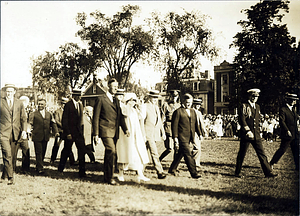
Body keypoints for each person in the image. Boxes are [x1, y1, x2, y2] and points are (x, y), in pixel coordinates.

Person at [93, 78, 129, 185]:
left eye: (117, 86)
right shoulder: (101, 99)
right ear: (108, 86)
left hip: (115, 132)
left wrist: (125, 128)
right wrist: (96, 134)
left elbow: (120, 117)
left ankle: (106, 176)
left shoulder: (116, 101)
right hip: (105, 130)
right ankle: (110, 178)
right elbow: (96, 117)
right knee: (111, 151)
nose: (116, 88)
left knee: (110, 154)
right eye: (114, 86)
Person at [234, 88, 277, 178]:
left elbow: (256, 121)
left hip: (256, 134)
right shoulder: (244, 106)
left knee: (262, 154)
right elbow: (242, 120)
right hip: (247, 134)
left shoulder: (257, 107)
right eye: (253, 96)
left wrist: (259, 132)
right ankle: (237, 172)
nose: (254, 98)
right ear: (249, 96)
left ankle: (268, 172)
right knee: (242, 153)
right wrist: (248, 131)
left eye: (256, 96)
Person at [116, 93, 150, 182]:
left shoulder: (135, 111)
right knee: (124, 155)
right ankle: (120, 174)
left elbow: (142, 116)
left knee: (137, 155)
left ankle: (140, 174)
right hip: (126, 136)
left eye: (135, 100)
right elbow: (125, 114)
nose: (134, 102)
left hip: (135, 136)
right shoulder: (124, 108)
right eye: (132, 100)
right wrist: (128, 105)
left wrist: (140, 105)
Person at [168, 93, 202, 179]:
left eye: (190, 102)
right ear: (183, 101)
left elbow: (195, 124)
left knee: (180, 153)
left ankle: (172, 169)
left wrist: (199, 134)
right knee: (188, 154)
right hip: (181, 137)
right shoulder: (178, 112)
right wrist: (175, 138)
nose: (189, 104)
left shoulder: (193, 111)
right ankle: (194, 173)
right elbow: (174, 126)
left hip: (190, 136)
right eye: (187, 102)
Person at [0, 84, 27, 185]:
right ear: (5, 92)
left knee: (12, 155)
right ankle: (11, 177)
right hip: (3, 133)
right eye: (7, 91)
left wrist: (24, 131)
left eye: (11, 91)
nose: (9, 93)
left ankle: (4, 175)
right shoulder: (0, 102)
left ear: (14, 92)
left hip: (15, 132)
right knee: (7, 154)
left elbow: (23, 118)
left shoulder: (19, 103)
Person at [58, 89, 87, 178]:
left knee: (82, 151)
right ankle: (60, 169)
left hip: (79, 133)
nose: (79, 97)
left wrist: (82, 132)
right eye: (78, 95)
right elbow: (65, 120)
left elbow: (81, 120)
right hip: (70, 133)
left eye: (80, 95)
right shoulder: (68, 105)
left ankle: (82, 172)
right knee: (66, 150)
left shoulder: (81, 105)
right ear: (74, 96)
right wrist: (68, 133)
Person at [270, 93, 299, 171]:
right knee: (282, 149)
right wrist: (287, 130)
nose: (294, 102)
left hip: (295, 134)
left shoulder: (293, 109)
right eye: (293, 100)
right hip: (287, 134)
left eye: (295, 100)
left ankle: (298, 166)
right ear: (289, 100)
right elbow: (282, 121)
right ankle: (272, 163)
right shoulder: (283, 109)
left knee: (296, 150)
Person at [29, 98, 59, 174]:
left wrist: (56, 132)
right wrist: (28, 130)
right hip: (37, 136)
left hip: (45, 136)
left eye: (42, 104)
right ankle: (40, 168)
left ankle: (39, 165)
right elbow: (30, 123)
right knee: (38, 152)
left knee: (43, 151)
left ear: (45, 105)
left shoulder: (49, 114)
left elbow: (53, 124)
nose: (40, 105)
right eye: (39, 104)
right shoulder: (33, 114)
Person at [143, 90, 167, 179]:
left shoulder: (156, 107)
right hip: (147, 133)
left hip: (154, 134)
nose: (155, 99)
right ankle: (160, 172)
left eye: (156, 98)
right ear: (149, 97)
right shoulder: (145, 106)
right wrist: (143, 134)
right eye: (153, 97)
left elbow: (159, 121)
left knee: (144, 152)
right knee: (154, 153)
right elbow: (142, 120)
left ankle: (140, 170)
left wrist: (163, 132)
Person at [50, 97, 75, 165]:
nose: (64, 105)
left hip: (67, 131)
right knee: (56, 145)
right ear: (61, 104)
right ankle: (53, 159)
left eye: (65, 104)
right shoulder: (57, 112)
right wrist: (64, 126)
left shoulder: (70, 111)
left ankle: (72, 161)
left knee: (68, 146)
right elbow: (56, 121)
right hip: (60, 131)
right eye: (63, 104)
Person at [159, 89, 181, 162]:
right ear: (170, 96)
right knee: (169, 148)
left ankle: (174, 166)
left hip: (178, 128)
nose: (174, 98)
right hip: (169, 127)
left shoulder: (180, 106)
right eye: (172, 96)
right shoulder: (166, 105)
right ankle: (159, 159)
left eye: (175, 96)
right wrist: (161, 129)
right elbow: (161, 118)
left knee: (177, 148)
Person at [12, 95, 30, 174]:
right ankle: (12, 168)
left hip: (24, 134)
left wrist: (26, 130)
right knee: (14, 152)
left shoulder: (29, 111)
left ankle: (25, 168)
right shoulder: (16, 110)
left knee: (26, 150)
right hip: (16, 133)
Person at [192, 98, 207, 169]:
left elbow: (201, 123)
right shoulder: (192, 111)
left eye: (199, 105)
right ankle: (194, 163)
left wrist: (204, 131)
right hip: (193, 131)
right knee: (197, 147)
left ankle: (196, 163)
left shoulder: (199, 113)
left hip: (197, 132)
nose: (197, 106)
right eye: (196, 104)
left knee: (198, 148)